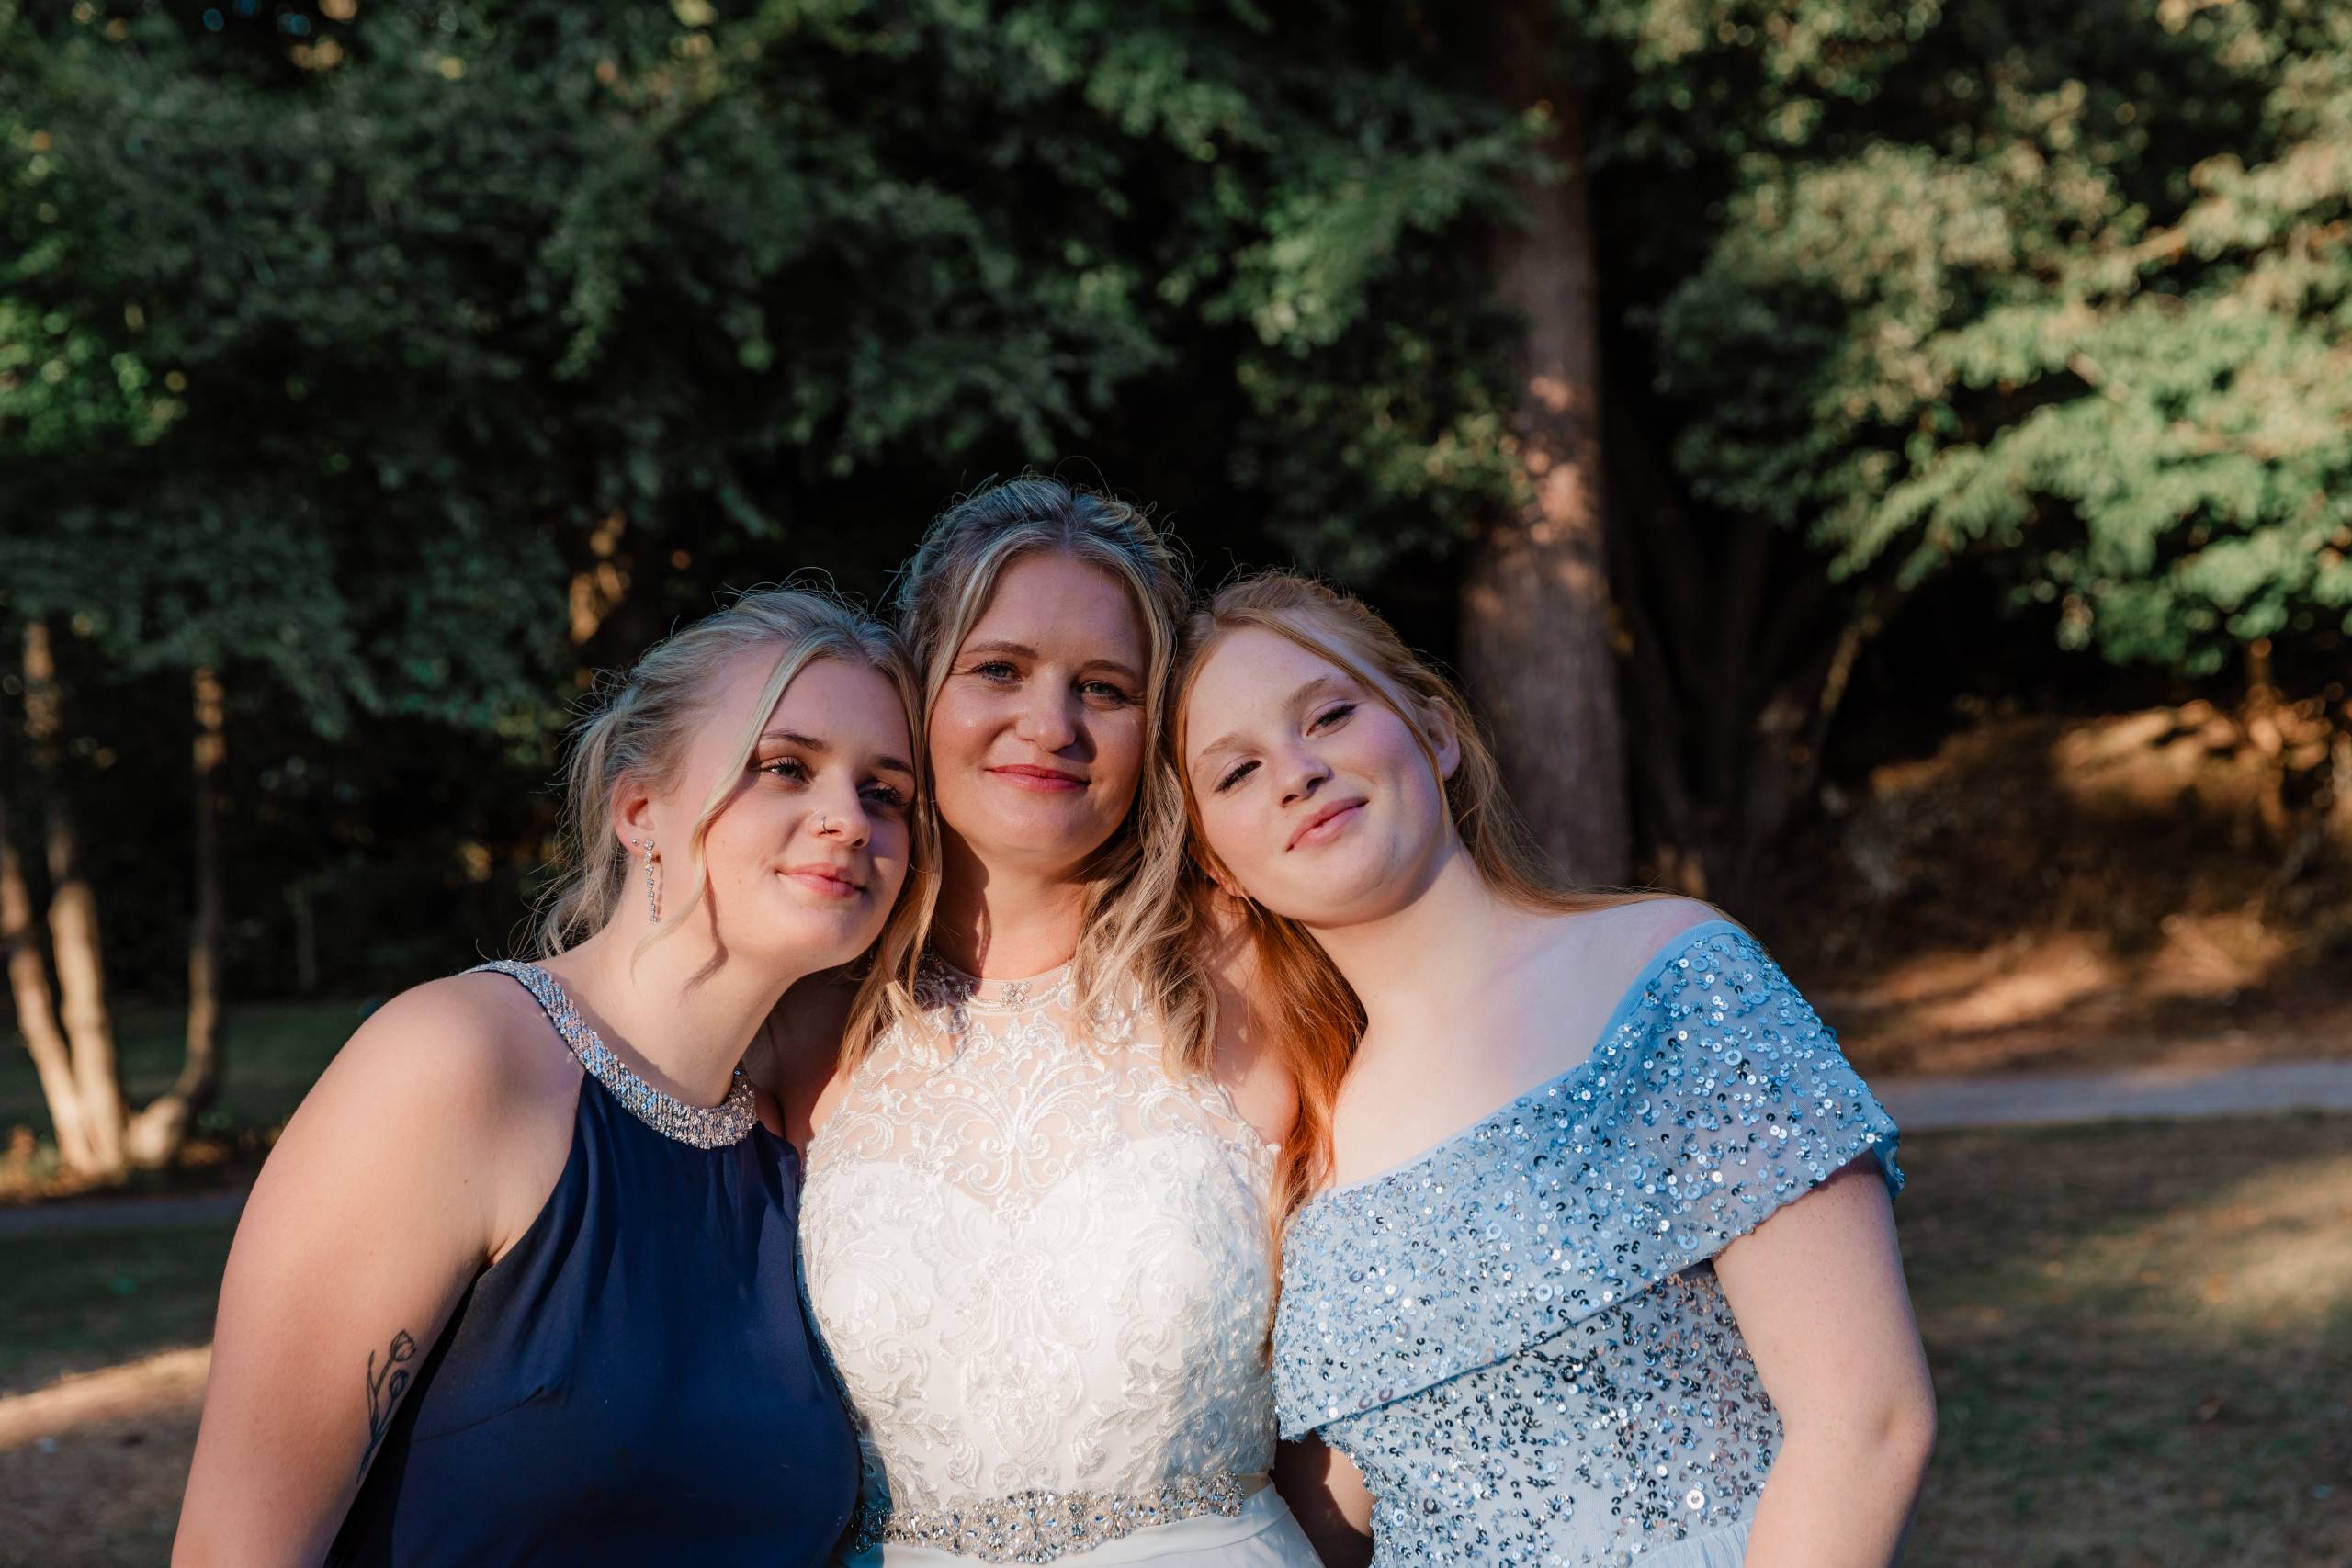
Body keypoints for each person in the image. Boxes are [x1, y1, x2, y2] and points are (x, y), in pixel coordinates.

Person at [1172, 572, 1938, 1568]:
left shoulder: (1667, 978)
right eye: (1236, 772)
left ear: (1436, 732)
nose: (1297, 772)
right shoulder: (1310, 1147)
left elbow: (1867, 1424)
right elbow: (1351, 1505)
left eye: (1328, 715)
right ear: (1217, 865)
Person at [175, 588, 928, 1567]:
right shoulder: (456, 1063)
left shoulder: (790, 1150)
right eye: (785, 766)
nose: (847, 820)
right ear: (640, 810)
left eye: (886, 793)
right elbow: (236, 1549)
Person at [788, 477, 1323, 1565]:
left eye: (1103, 689)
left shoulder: (1259, 971)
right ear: (918, 688)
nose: (1050, 726)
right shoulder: (805, 1018)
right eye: (998, 669)